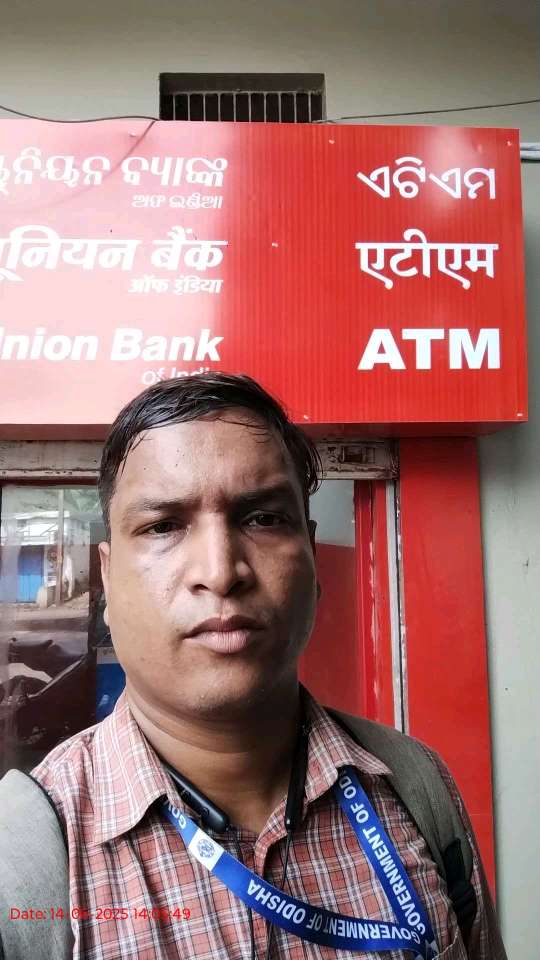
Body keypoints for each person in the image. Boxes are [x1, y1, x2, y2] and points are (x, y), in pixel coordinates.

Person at [27, 371, 505, 959]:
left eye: (262, 519)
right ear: (107, 576)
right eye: (163, 526)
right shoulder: (25, 856)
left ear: (312, 555)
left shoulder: (415, 786)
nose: (220, 572)